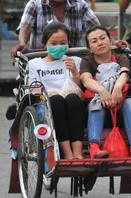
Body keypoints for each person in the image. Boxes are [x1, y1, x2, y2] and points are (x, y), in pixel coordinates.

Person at [80, 26, 131, 158]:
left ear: (110, 41)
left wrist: (116, 88)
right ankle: (94, 147)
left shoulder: (121, 57)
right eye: (94, 41)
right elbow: (86, 80)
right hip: (98, 104)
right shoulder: (86, 61)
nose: (100, 42)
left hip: (120, 105)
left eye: (103, 38)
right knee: (95, 105)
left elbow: (124, 74)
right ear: (89, 48)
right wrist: (102, 91)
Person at [10, 0, 100, 57]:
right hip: (42, 62)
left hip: (74, 61)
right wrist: (22, 42)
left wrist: (109, 40)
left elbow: (96, 28)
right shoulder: (35, 4)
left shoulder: (80, 4)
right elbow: (25, 27)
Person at [27, 22, 84, 159]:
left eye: (63, 42)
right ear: (45, 44)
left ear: (68, 43)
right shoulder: (34, 64)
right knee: (56, 101)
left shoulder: (75, 61)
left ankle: (77, 152)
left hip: (73, 103)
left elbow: (80, 89)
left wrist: (75, 73)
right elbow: (33, 90)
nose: (58, 46)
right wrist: (45, 94)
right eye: (53, 43)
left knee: (72, 98)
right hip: (48, 105)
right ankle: (68, 153)